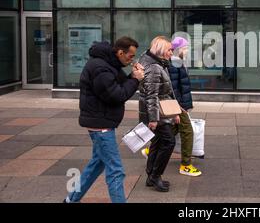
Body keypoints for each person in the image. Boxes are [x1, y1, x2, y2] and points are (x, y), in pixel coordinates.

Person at [64, 37, 144, 203]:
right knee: (116, 170)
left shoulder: (108, 64)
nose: (132, 59)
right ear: (120, 52)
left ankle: (71, 199)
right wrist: (135, 79)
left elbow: (119, 85)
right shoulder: (101, 68)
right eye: (130, 56)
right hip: (100, 124)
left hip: (100, 121)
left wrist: (133, 76)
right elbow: (117, 95)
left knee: (97, 165)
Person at [141, 37, 202, 177]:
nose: (187, 50)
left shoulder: (174, 62)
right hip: (176, 104)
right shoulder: (174, 63)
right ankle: (185, 165)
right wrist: (181, 107)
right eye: (185, 47)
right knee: (187, 131)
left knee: (172, 129)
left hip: (175, 104)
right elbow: (174, 88)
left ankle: (151, 151)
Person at [138, 36, 179, 192]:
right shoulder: (154, 67)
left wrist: (175, 112)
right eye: (170, 49)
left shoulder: (156, 62)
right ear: (161, 50)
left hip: (159, 111)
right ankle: (155, 176)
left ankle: (151, 176)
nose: (171, 52)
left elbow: (168, 92)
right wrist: (154, 119)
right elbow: (152, 95)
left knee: (157, 142)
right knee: (168, 142)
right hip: (156, 113)